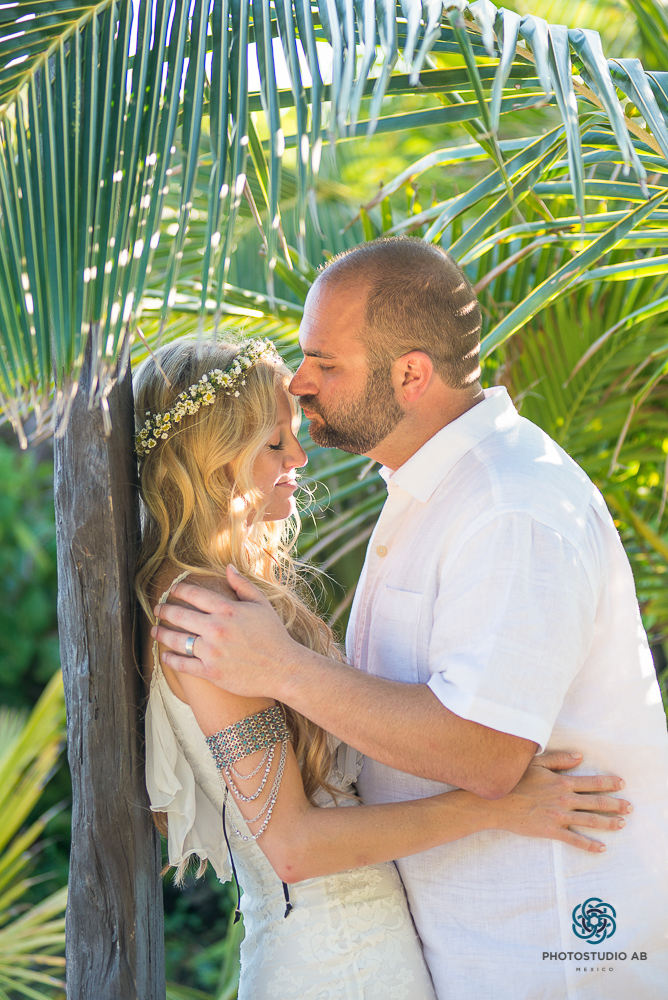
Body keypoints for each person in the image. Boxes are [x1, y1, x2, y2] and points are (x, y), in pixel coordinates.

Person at [153, 238, 668, 1000]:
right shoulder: (432, 495)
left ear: (411, 374)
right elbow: (287, 830)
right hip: (400, 953)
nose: (301, 385)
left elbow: (488, 755)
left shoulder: (510, 506)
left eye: (324, 362)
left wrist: (285, 669)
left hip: (549, 949)